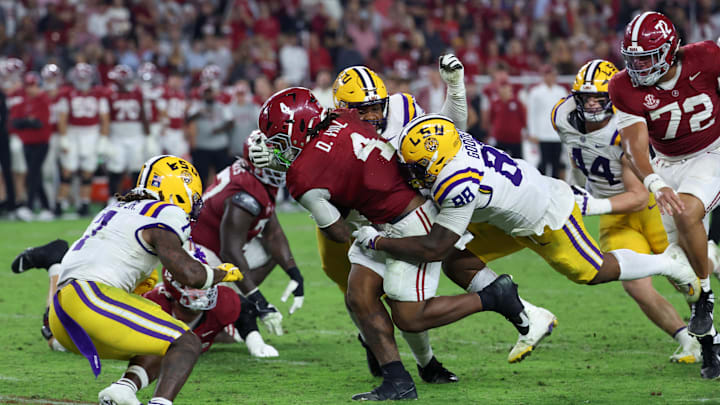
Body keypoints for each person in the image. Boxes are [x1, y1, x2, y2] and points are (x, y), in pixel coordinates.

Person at [352, 114, 702, 366]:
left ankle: (670, 262)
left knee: (594, 271)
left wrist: (376, 243)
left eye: (420, 166)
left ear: (439, 162)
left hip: (544, 218)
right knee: (457, 258)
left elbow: (434, 246)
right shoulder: (446, 143)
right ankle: (527, 316)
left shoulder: (457, 182)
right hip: (510, 210)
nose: (414, 173)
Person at [255, 87, 529, 401]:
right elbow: (339, 161)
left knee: (410, 316)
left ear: (298, 128)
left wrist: (293, 174)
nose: (276, 149)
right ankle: (398, 380)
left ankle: (493, 296)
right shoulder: (343, 115)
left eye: (278, 140)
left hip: (406, 223)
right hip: (393, 213)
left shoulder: (302, 177)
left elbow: (338, 232)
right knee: (358, 295)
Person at [46, 155, 243, 405]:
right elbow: (190, 274)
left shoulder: (115, 209)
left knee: (161, 329)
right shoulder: (166, 211)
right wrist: (220, 273)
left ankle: (124, 389)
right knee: (186, 343)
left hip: (61, 315)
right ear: (177, 189)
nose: (194, 204)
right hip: (91, 298)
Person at [556, 59, 701, 363]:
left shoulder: (624, 127)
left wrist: (588, 204)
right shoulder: (562, 116)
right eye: (586, 98)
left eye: (599, 98)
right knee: (635, 285)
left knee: (687, 276)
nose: (592, 105)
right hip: (613, 215)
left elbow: (636, 196)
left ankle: (707, 322)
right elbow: (577, 150)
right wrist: (575, 184)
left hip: (650, 208)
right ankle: (688, 340)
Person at [608, 11, 720, 379]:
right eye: (633, 58)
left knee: (687, 213)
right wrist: (656, 182)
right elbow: (636, 146)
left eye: (647, 57)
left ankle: (706, 296)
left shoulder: (705, 57)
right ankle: (712, 347)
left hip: (712, 152)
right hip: (667, 166)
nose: (638, 66)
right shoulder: (623, 86)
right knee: (677, 268)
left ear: (671, 50)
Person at [55, 62, 110, 217]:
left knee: (88, 170)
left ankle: (84, 204)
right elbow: (63, 118)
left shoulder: (99, 94)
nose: (82, 80)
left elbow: (105, 119)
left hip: (91, 133)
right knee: (68, 169)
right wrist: (64, 137)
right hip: (73, 132)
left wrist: (103, 139)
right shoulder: (68, 93)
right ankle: (59, 203)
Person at [9, 71, 53, 220]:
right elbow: (14, 122)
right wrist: (28, 121)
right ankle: (47, 207)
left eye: (32, 85)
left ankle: (29, 207)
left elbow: (39, 123)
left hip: (41, 143)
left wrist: (26, 122)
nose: (29, 89)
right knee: (36, 176)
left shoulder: (43, 100)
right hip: (28, 143)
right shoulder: (24, 101)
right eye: (27, 85)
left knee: (33, 175)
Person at [106, 64, 151, 199]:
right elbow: (106, 116)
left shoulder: (137, 92)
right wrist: (105, 137)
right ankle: (112, 198)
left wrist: (148, 136)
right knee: (115, 168)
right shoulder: (110, 93)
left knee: (137, 167)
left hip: (135, 133)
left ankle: (135, 197)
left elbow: (143, 114)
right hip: (117, 134)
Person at [527, 64, 567, 179]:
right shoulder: (536, 92)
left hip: (556, 134)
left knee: (556, 163)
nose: (550, 77)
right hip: (542, 134)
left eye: (552, 75)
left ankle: (554, 189)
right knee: (543, 163)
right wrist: (532, 133)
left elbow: (563, 113)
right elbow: (532, 114)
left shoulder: (561, 91)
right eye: (547, 74)